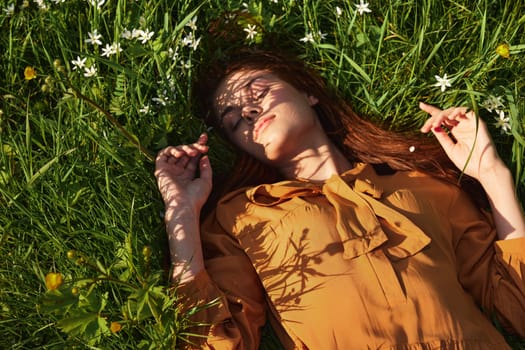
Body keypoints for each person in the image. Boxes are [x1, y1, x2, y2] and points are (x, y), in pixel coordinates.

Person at [154, 50, 525, 349]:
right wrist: (181, 215)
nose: (248, 111)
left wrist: (491, 173)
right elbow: (215, 344)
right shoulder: (243, 216)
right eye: (234, 121)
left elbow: (517, 307)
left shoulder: (426, 188)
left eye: (258, 91)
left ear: (308, 93)